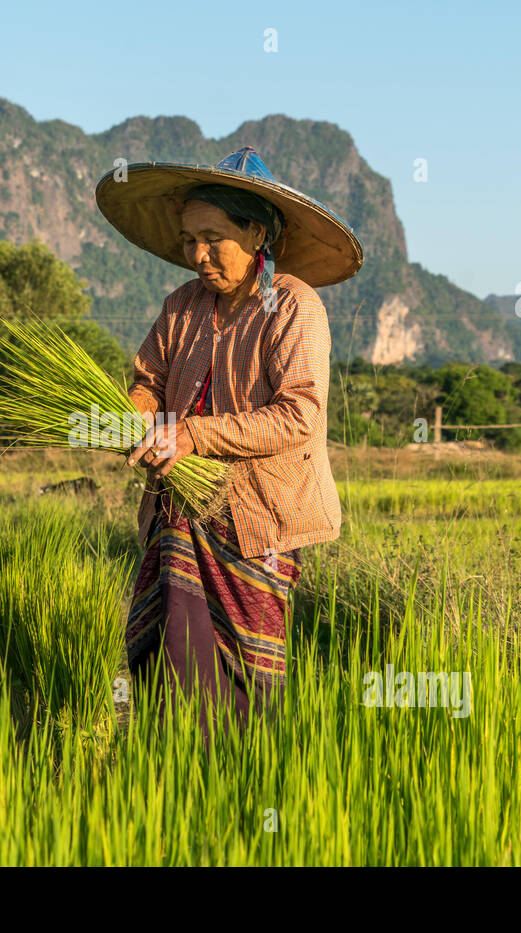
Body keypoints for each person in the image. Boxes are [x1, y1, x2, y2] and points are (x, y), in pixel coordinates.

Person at [94, 146, 363, 736]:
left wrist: (190, 434)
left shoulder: (293, 306)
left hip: (255, 522)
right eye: (190, 240)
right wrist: (137, 419)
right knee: (171, 661)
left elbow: (299, 415)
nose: (197, 255)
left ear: (257, 232)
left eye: (213, 237)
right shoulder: (183, 306)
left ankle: (242, 785)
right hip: (179, 514)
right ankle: (171, 778)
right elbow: (147, 381)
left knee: (245, 677)